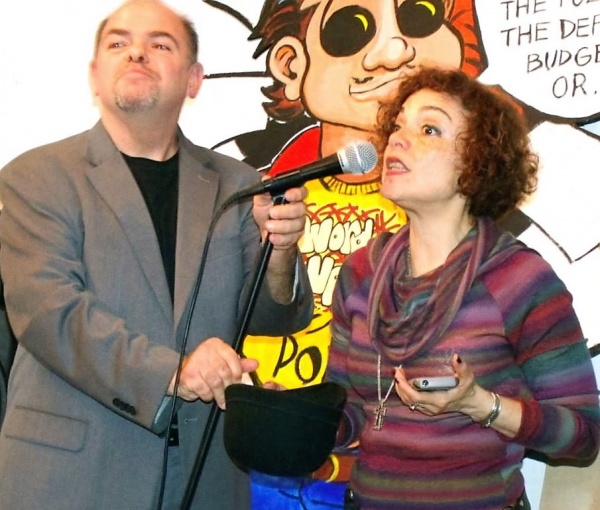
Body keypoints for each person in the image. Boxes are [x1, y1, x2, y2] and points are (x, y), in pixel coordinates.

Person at [0, 1, 312, 509]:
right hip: (72, 476)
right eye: (118, 43)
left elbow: (273, 317)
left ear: (194, 80)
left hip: (205, 476)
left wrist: (280, 250)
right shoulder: (36, 176)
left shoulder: (238, 184)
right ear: (94, 75)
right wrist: (175, 372)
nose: (137, 53)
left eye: (160, 44)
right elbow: (49, 313)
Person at [325, 66, 600, 510]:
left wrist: (481, 405)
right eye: (398, 127)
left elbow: (583, 435)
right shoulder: (360, 272)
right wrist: (295, 417)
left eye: (429, 129)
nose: (397, 140)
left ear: (477, 161)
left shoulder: (517, 279)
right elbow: (348, 415)